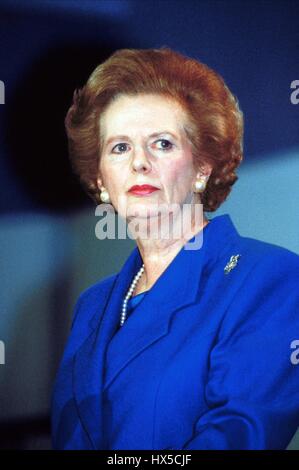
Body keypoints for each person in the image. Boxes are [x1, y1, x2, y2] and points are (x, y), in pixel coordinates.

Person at [51, 47, 299, 450]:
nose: (139, 163)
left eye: (162, 144)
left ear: (202, 167)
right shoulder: (92, 306)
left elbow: (239, 436)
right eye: (119, 147)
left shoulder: (269, 278)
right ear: (99, 178)